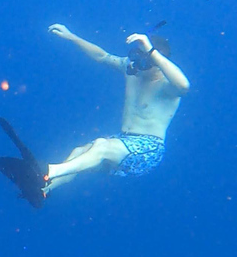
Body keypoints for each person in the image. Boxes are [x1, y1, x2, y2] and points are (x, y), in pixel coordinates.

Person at [42, 23, 190, 196]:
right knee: (80, 152)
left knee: (101, 146)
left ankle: (49, 171)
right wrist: (72, 37)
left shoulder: (167, 86)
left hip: (149, 150)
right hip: (123, 142)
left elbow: (184, 86)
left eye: (145, 62)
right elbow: (102, 56)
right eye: (136, 58)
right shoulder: (132, 70)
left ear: (157, 62)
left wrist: (150, 50)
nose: (138, 65)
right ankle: (45, 188)